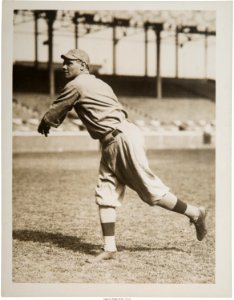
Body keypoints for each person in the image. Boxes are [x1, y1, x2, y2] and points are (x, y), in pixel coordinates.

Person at [38, 49, 207, 263]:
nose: (64, 66)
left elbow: (58, 108)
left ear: (82, 65)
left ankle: (195, 212)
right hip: (113, 140)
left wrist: (46, 121)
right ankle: (109, 248)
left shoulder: (76, 84)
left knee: (149, 191)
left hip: (120, 138)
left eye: (69, 62)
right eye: (64, 62)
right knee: (105, 193)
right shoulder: (99, 83)